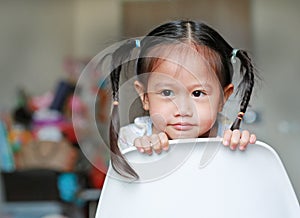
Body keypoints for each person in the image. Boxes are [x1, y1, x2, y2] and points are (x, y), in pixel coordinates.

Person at [108, 20, 259, 179]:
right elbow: (123, 194)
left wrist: (245, 154)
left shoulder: (230, 138)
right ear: (145, 96)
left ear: (223, 97)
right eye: (167, 92)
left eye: (197, 93)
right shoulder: (132, 138)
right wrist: (141, 156)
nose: (183, 110)